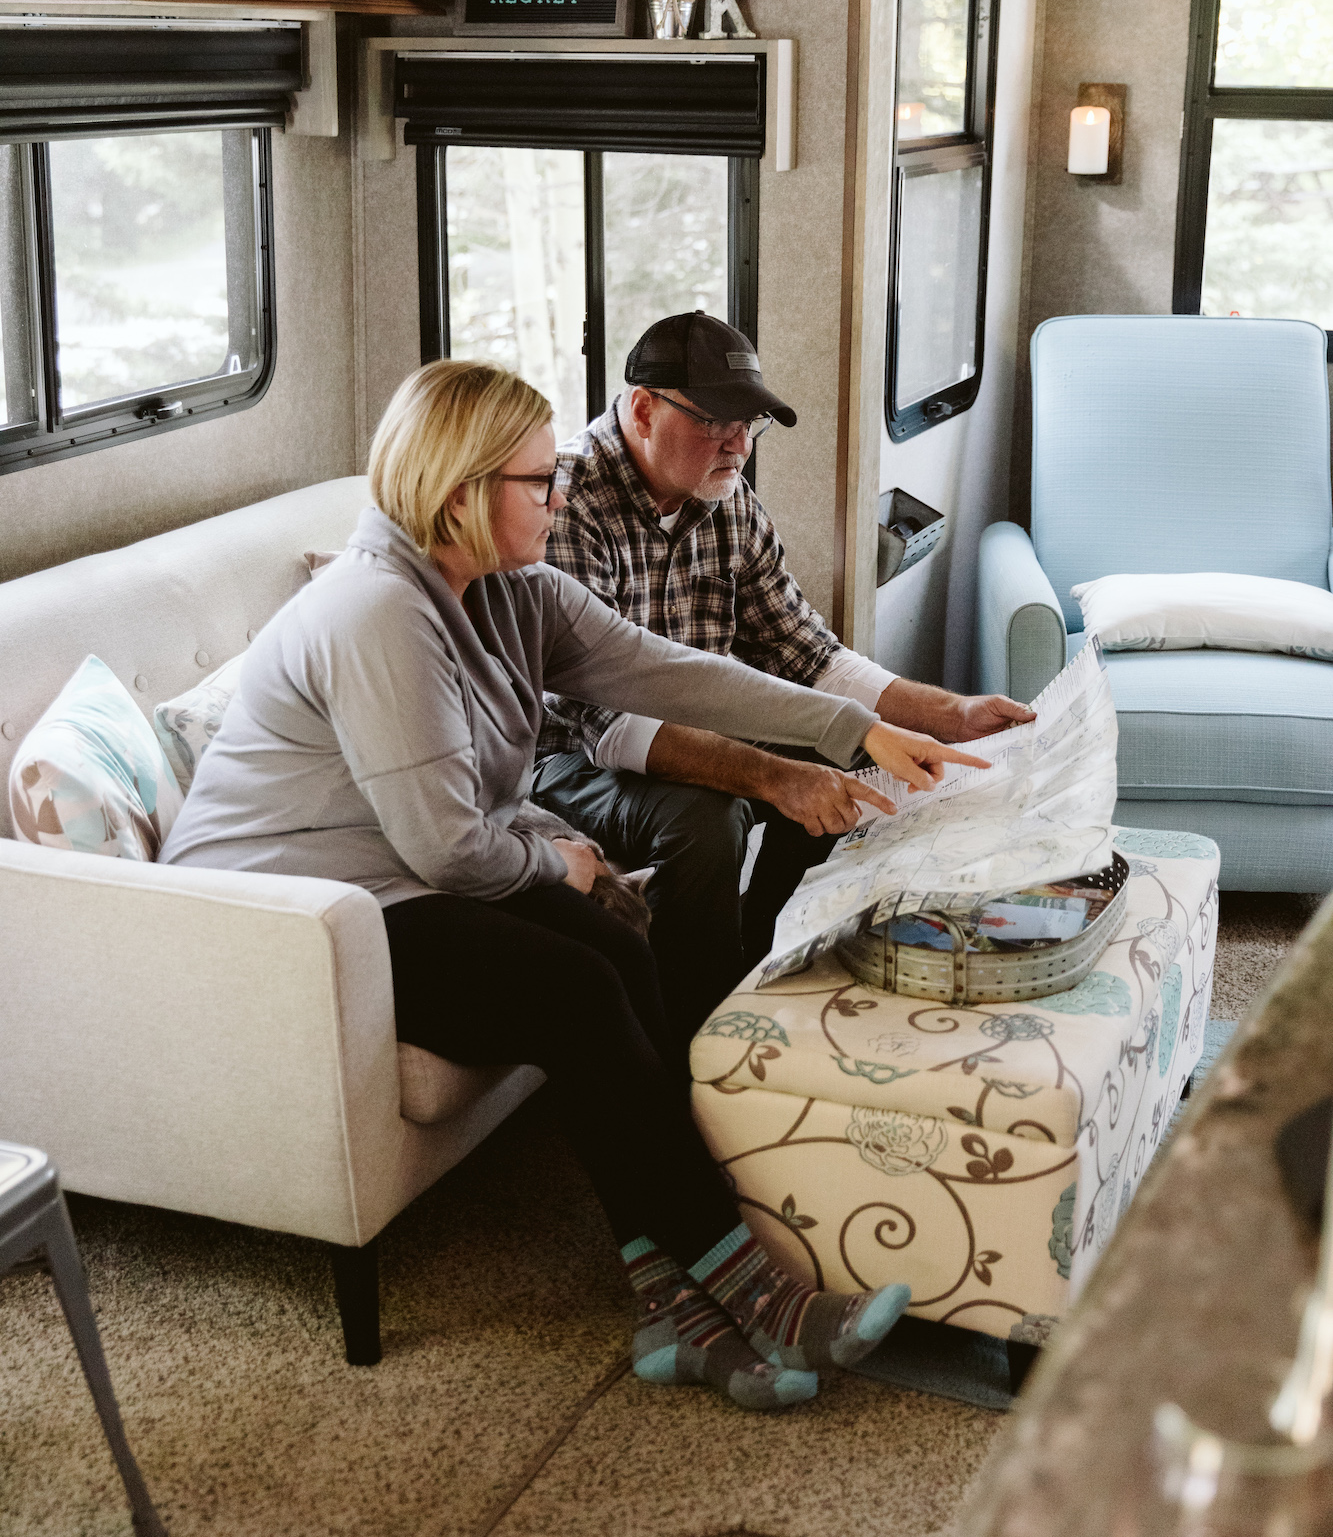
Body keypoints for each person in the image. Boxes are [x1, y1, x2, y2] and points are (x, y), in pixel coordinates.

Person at [160, 360, 989, 1414]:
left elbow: (672, 670)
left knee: (619, 943)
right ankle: (755, 1293)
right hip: (281, 914)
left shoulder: (512, 593)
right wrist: (560, 857)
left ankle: (669, 1303)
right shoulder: (375, 610)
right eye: (537, 481)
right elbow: (453, 850)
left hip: (388, 884)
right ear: (460, 485)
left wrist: (859, 728)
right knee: (576, 988)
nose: (559, 499)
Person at [534, 310, 1035, 1035]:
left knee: (847, 762)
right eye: (716, 422)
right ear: (643, 409)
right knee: (702, 820)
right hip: (564, 755)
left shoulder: (725, 495)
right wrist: (771, 774)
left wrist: (949, 714)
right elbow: (603, 723)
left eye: (750, 425)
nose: (738, 445)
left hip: (687, 723)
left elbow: (809, 656)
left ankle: (763, 971)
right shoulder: (569, 499)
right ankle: (694, 1042)